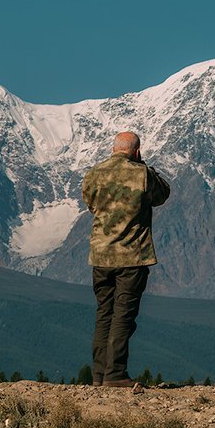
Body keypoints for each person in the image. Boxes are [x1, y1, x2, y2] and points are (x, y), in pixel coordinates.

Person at [82, 131, 170, 388]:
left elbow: (90, 203)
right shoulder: (142, 174)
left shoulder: (94, 173)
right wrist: (143, 166)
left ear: (113, 148)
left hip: (100, 255)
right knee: (123, 315)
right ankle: (116, 374)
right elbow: (162, 194)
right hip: (132, 257)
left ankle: (99, 375)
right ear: (137, 151)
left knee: (104, 313)